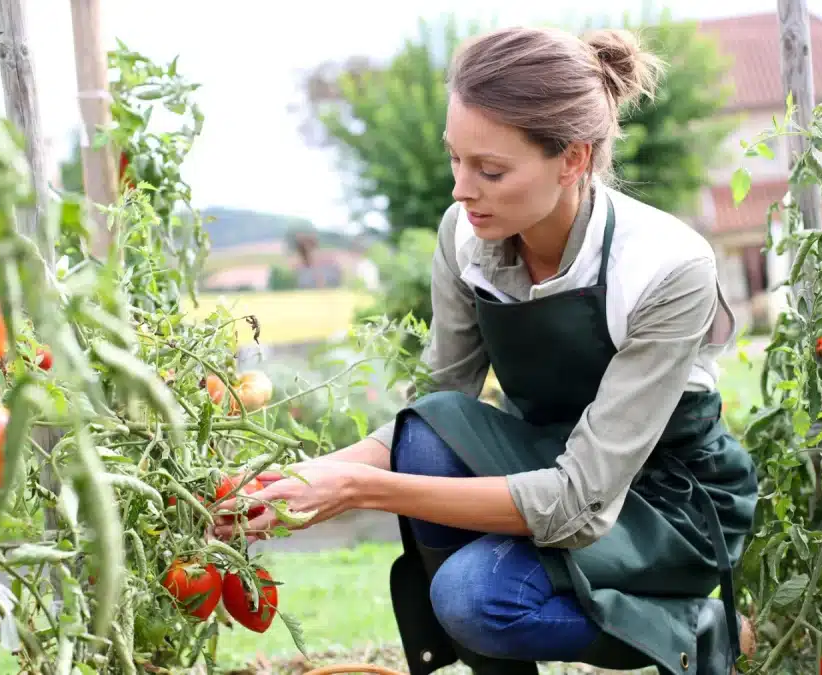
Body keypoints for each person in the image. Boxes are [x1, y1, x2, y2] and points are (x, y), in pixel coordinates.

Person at [214, 25, 759, 675]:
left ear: (573, 159)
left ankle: (695, 626)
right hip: (548, 455)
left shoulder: (668, 268)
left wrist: (361, 487)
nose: (460, 190)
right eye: (455, 159)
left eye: (490, 170)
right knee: (426, 430)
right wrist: (297, 483)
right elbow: (439, 409)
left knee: (473, 596)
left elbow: (579, 501)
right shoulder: (466, 237)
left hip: (667, 504)